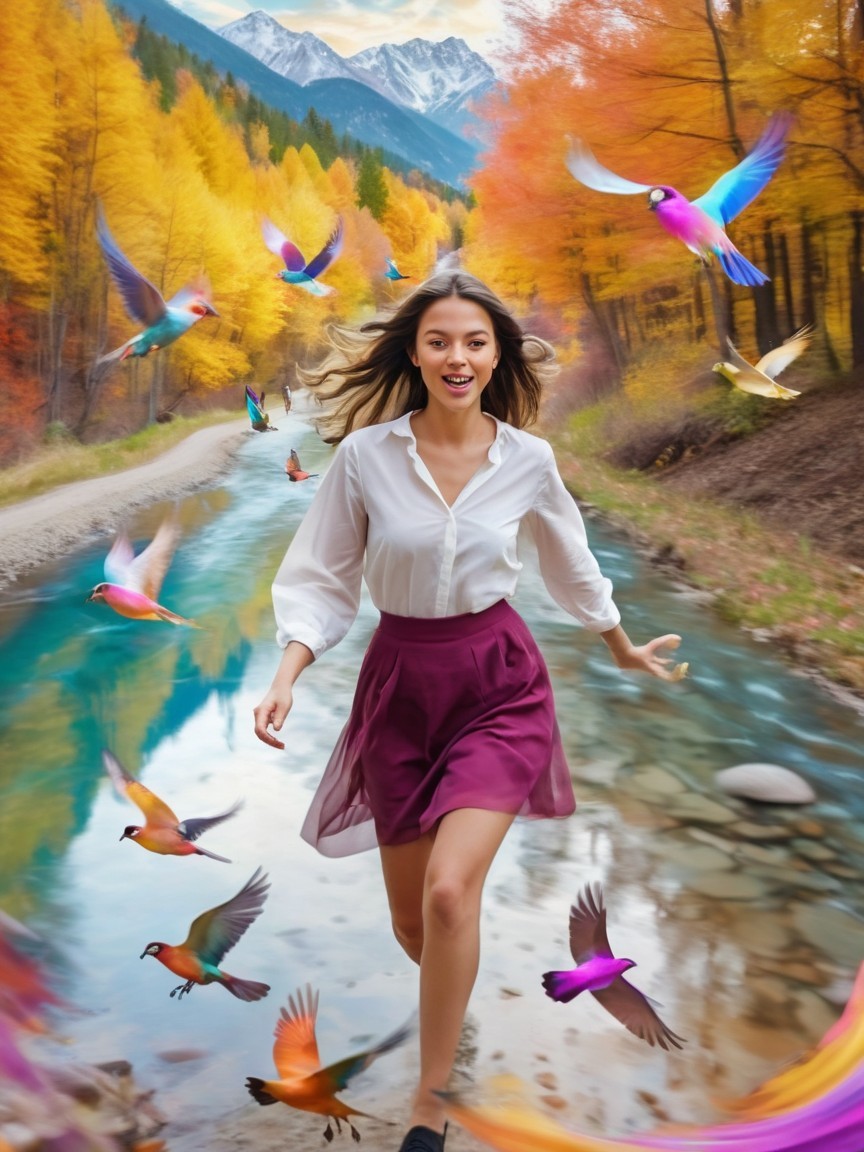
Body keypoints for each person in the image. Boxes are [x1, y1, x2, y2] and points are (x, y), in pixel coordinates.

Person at [252, 270, 686, 1152]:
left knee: (453, 892)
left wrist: (619, 643)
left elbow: (570, 562)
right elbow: (323, 580)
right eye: (441, 340)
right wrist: (289, 671)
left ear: (497, 357)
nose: (458, 356)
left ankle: (434, 1097)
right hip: (400, 686)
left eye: (476, 342)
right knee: (417, 922)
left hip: (498, 684)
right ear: (414, 352)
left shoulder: (528, 459)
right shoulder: (367, 457)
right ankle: (455, 1012)